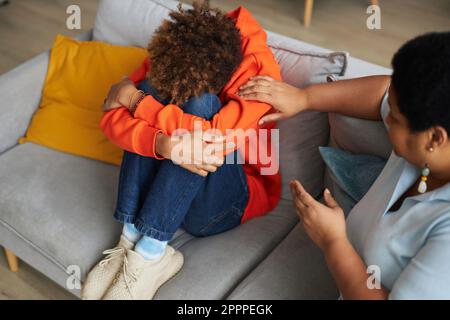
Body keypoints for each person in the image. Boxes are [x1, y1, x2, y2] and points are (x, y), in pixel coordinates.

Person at [82, 2, 282, 300]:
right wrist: (162, 143)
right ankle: (130, 240)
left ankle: (151, 254)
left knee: (199, 106)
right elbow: (110, 118)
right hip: (181, 182)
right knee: (151, 86)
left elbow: (211, 138)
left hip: (230, 200)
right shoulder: (177, 47)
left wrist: (137, 103)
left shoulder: (259, 75)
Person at [238, 32, 450, 299]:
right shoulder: (424, 152)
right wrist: (304, 98)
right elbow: (382, 93)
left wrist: (333, 242)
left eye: (394, 118)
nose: (388, 117)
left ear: (435, 137)